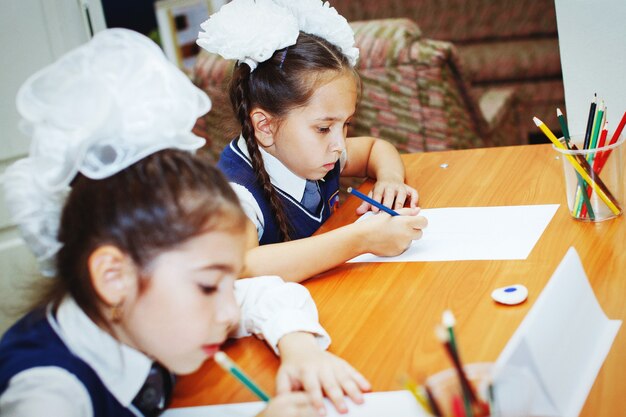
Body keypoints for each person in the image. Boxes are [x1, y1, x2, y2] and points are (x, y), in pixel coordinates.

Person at [0, 29, 370, 417]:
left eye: (226, 283)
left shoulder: (150, 299)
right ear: (113, 277)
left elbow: (264, 293)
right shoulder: (46, 393)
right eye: (211, 286)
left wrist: (300, 348)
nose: (228, 312)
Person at [197, 0, 428, 282]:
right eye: (323, 128)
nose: (340, 144)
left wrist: (390, 179)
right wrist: (360, 239)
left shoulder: (314, 152)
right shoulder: (237, 194)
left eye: (346, 125)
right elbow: (243, 265)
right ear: (265, 126)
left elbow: (374, 149)